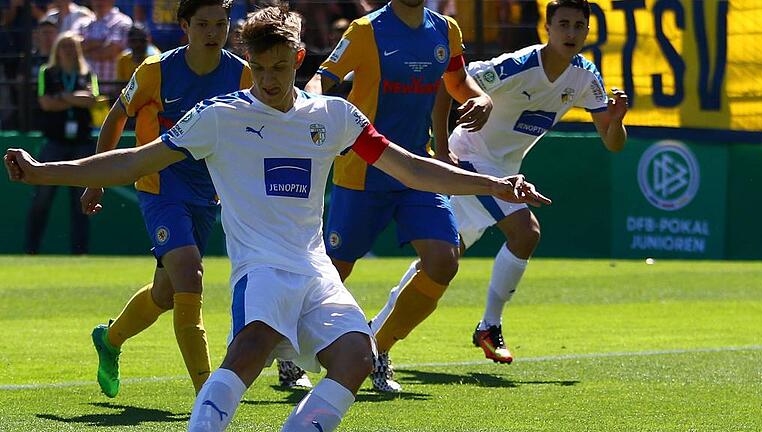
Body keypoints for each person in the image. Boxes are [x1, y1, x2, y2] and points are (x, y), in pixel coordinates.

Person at [4, 8, 550, 431]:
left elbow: (411, 169)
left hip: (314, 269)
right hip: (260, 268)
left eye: (280, 67)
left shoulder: (333, 115)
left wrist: (495, 184)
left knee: (357, 358)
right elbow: (133, 160)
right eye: (260, 68)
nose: (268, 80)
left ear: (298, 60)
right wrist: (44, 171)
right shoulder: (219, 118)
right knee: (254, 343)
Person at [391, 0, 629, 364]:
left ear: (586, 32)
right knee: (525, 231)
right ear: (547, 28)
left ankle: (376, 333)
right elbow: (447, 84)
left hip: (504, 169)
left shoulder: (585, 77)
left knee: (443, 258)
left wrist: (617, 121)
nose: (571, 32)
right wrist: (441, 149)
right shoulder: (518, 65)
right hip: (469, 157)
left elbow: (613, 144)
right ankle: (489, 325)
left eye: (579, 26)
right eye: (563, 24)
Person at [302, 0, 493, 393]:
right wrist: (310, 106)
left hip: (416, 171)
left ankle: (379, 349)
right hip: (363, 169)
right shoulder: (365, 29)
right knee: (333, 271)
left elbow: (458, 84)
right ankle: (291, 352)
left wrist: (480, 98)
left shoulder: (446, 30)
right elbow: (324, 77)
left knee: (443, 261)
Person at [78, 0, 252, 399]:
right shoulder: (155, 71)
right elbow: (117, 117)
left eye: (221, 24)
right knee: (190, 273)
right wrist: (96, 180)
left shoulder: (240, 74)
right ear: (184, 26)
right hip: (160, 187)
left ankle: (111, 338)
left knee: (166, 293)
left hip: (208, 193)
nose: (213, 33)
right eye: (204, 24)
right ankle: (207, 396)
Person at [24, 31, 99, 255]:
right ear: (57, 50)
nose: (68, 51)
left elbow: (92, 100)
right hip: (54, 143)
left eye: (72, 46)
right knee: (42, 199)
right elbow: (46, 103)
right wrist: (75, 98)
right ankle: (31, 250)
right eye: (64, 46)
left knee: (81, 202)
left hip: (81, 144)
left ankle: (79, 252)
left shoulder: (87, 73)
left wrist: (63, 97)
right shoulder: (47, 73)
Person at [75, 0, 133, 96]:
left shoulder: (123, 22)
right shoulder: (81, 23)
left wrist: (86, 50)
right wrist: (103, 41)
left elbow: (112, 50)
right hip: (85, 93)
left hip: (113, 91)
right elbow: (74, 48)